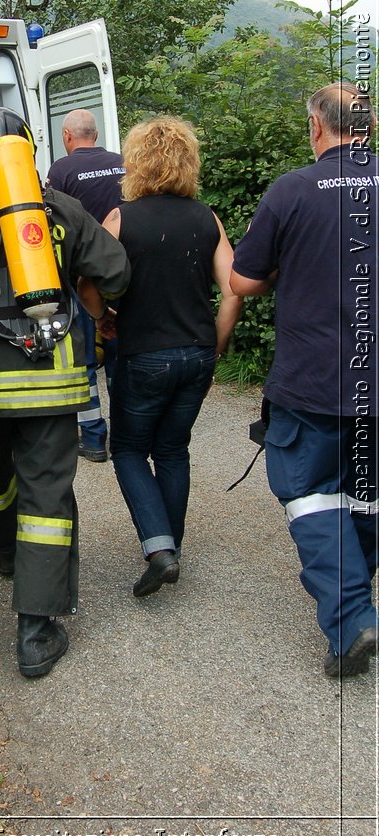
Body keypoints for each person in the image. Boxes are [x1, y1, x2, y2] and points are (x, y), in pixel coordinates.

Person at [0, 107, 130, 677]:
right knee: (46, 500)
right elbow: (114, 273)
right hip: (54, 381)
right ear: (29, 151)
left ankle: (2, 551)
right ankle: (36, 633)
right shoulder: (60, 210)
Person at [230, 82, 378, 677]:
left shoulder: (292, 190)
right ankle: (357, 596)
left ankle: (351, 620)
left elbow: (242, 281)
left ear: (318, 127)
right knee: (366, 494)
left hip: (313, 380)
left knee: (310, 493)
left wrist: (285, 269)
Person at [102, 117, 241, 597]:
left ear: (135, 162)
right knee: (172, 449)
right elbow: (234, 289)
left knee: (126, 448)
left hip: (143, 354)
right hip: (197, 352)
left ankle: (159, 551)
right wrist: (217, 342)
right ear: (188, 162)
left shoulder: (121, 219)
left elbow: (88, 282)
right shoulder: (208, 218)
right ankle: (170, 548)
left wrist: (103, 319)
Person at [47, 109, 125, 461]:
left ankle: (93, 438)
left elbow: (54, 221)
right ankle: (127, 435)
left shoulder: (61, 171)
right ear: (95, 133)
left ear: (67, 136)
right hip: (122, 273)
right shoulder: (123, 162)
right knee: (121, 353)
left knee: (84, 361)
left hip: (80, 278)